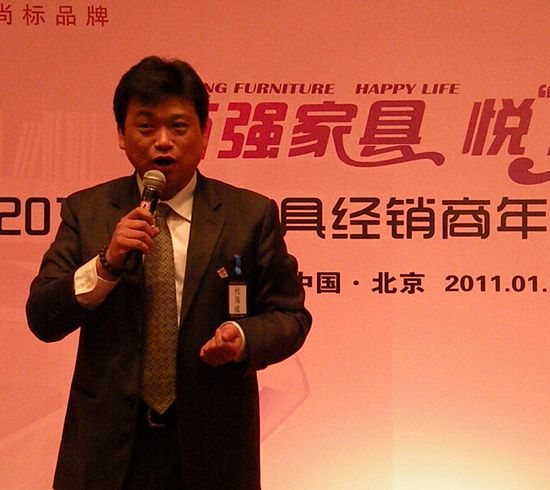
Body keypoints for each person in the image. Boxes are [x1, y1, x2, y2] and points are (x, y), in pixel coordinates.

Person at [26, 55, 312, 490]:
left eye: (178, 127)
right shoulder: (88, 211)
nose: (163, 142)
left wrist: (243, 338)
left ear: (205, 134)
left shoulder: (249, 216)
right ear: (121, 135)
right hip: (107, 452)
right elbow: (43, 317)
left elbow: (290, 316)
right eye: (146, 127)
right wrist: (105, 264)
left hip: (212, 451)